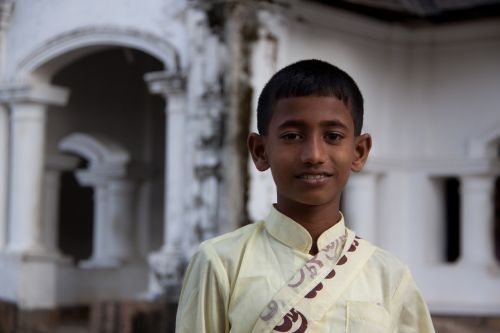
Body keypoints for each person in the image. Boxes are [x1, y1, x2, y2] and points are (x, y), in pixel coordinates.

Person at [175, 59, 435, 333]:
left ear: (359, 152)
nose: (314, 155)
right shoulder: (221, 262)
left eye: (333, 136)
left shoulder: (389, 275)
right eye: (292, 136)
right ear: (260, 151)